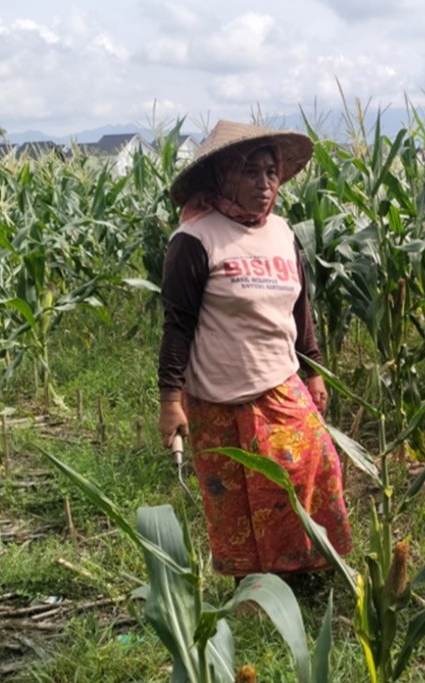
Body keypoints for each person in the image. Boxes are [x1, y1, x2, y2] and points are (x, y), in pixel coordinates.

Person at [158, 120, 353, 582]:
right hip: (219, 397)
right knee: (237, 499)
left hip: (281, 382)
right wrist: (170, 400)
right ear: (224, 175)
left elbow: (300, 307)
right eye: (250, 172)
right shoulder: (196, 239)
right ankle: (253, 586)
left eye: (271, 172)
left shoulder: (282, 232)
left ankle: (305, 568)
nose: (265, 184)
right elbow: (177, 326)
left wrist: (314, 370)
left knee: (317, 466)